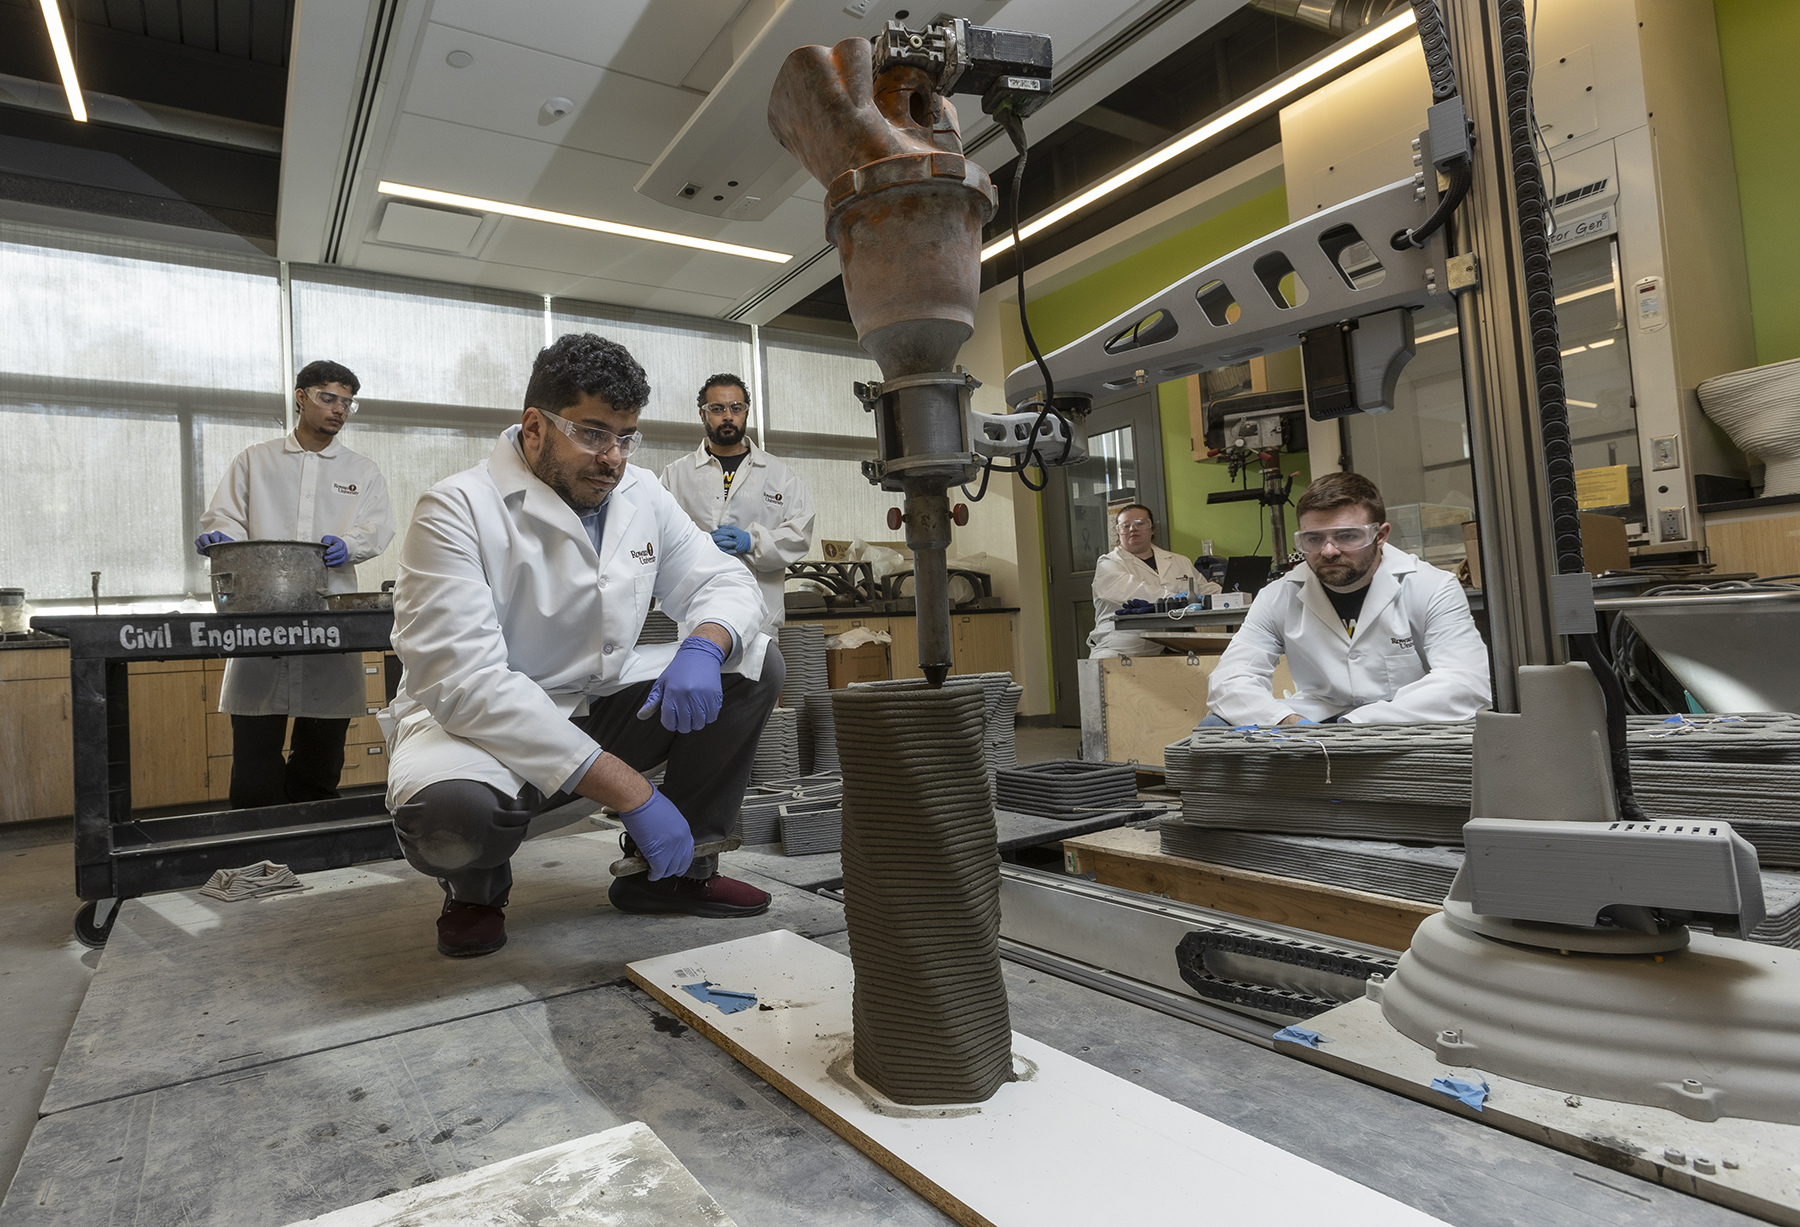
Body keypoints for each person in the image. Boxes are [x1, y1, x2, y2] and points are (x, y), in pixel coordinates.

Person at [381, 334, 783, 959]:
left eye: (626, 437)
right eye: (594, 434)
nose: (613, 457)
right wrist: (635, 793)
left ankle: (674, 875)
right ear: (535, 428)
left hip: (597, 702)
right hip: (477, 728)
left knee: (752, 663)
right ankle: (476, 889)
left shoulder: (640, 493)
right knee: (452, 821)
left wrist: (705, 644)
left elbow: (723, 579)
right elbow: (468, 684)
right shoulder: (457, 509)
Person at [195, 359, 395, 808]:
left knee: (321, 755)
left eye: (347, 402)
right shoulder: (255, 460)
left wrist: (349, 544)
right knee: (254, 753)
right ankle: (256, 849)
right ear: (301, 397)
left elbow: (378, 527)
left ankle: (312, 846)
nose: (339, 409)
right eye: (329, 397)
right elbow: (224, 515)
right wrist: (222, 538)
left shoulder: (362, 471)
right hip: (262, 618)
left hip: (330, 617)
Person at [1206, 472, 1491, 725]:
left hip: (1404, 718)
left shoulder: (1432, 587)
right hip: (1315, 719)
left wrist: (1357, 723)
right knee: (1214, 725)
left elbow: (1467, 683)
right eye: (1313, 539)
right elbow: (1229, 681)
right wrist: (1286, 721)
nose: (1329, 550)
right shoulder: (1278, 596)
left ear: (1380, 536)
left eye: (1347, 536)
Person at [660, 374, 815, 634]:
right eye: (717, 409)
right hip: (693, 613)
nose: (728, 416)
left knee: (758, 673)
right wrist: (697, 547)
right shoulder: (674, 476)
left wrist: (753, 542)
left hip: (759, 612)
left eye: (736, 408)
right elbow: (657, 538)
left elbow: (800, 534)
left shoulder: (778, 474)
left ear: (746, 412)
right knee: (699, 669)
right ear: (702, 414)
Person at [1088, 504, 1220, 658]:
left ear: (1152, 529)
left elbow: (1204, 589)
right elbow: (1135, 591)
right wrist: (1177, 601)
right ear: (1118, 533)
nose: (1133, 529)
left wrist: (1231, 595)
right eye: (1126, 525)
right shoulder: (1108, 563)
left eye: (1140, 523)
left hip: (1172, 647)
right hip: (1121, 649)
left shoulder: (1179, 561)